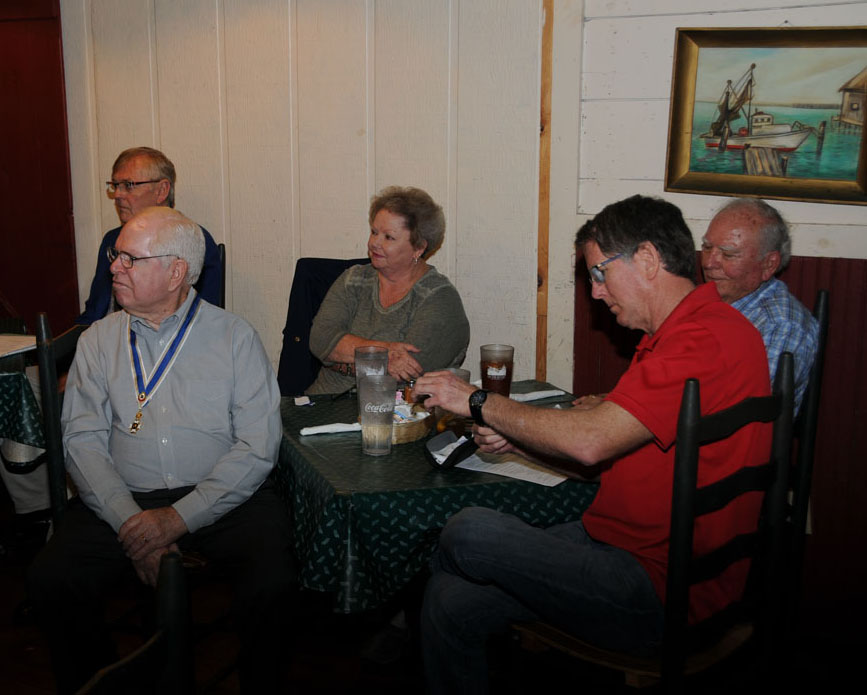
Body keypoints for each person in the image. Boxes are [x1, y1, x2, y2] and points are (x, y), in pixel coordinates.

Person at [413, 195, 773, 694]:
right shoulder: (688, 333)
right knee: (448, 599)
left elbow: (591, 442)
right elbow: (609, 458)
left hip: (659, 590)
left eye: (600, 273)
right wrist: (519, 446)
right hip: (629, 551)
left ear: (647, 259)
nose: (596, 292)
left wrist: (474, 400)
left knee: (468, 531)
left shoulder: (700, 340)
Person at [28, 207, 294, 694]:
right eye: (116, 256)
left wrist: (177, 519)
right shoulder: (98, 341)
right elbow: (82, 442)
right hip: (123, 495)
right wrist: (132, 524)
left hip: (224, 496)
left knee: (273, 579)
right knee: (52, 579)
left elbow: (257, 447)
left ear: (176, 272)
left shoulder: (234, 337)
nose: (114, 267)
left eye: (130, 258)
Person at [306, 185, 470, 393]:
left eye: (388, 237)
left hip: (395, 408)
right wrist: (386, 351)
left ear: (418, 248)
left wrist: (342, 359)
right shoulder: (354, 279)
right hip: (321, 401)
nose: (374, 243)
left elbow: (406, 373)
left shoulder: (439, 299)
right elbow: (320, 339)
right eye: (374, 232)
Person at [76, 146, 222, 324]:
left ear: (162, 190)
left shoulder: (193, 242)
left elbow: (204, 320)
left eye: (128, 185)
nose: (118, 195)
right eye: (115, 186)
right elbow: (93, 313)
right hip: (106, 336)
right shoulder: (113, 239)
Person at [701, 197, 819, 413]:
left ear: (768, 264)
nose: (709, 263)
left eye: (728, 254)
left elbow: (744, 409)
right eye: (707, 247)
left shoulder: (780, 325)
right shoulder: (707, 301)